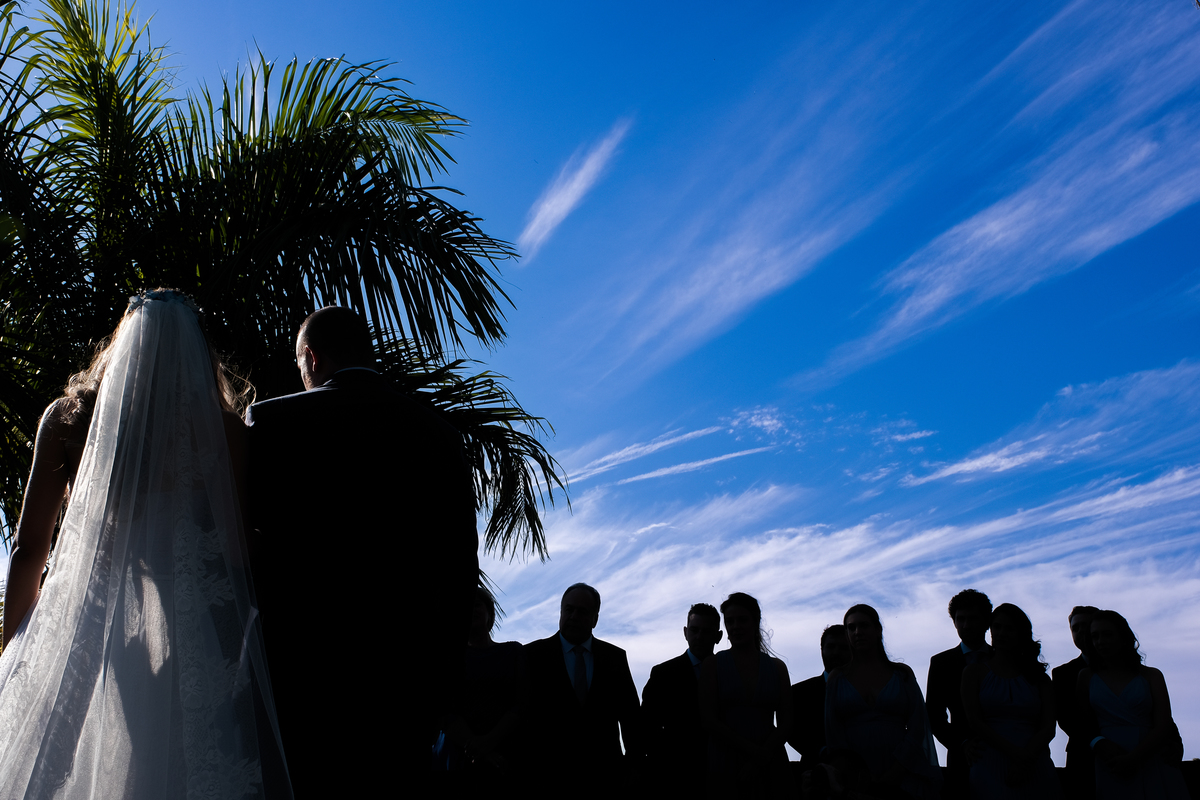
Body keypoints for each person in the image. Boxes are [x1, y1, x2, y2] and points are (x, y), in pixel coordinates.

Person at [0, 289, 290, 798]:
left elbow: (28, 551)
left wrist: (18, 652)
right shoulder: (224, 430)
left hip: (84, 624)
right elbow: (238, 551)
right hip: (193, 631)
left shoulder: (67, 420)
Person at [245, 305, 478, 789]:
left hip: (299, 676)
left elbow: (249, 546)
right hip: (406, 685)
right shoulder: (441, 435)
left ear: (311, 357)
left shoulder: (271, 422)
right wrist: (443, 694)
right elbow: (460, 571)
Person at [522, 583, 643, 790]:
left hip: (605, 777)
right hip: (546, 777)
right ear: (560, 612)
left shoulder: (614, 658)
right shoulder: (532, 656)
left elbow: (631, 718)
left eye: (582, 611)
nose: (574, 616)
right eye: (569, 609)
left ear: (595, 619)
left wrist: (635, 766)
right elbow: (521, 715)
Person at [826, 603, 941, 800]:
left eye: (864, 625)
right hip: (854, 771)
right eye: (851, 628)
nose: (857, 632)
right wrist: (855, 772)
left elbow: (917, 726)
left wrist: (899, 768)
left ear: (878, 629)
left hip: (903, 768)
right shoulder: (837, 678)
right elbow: (833, 731)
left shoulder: (902, 674)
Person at [1077, 610, 1188, 800]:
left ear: (1123, 637)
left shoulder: (1152, 675)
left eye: (1107, 634)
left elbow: (1163, 723)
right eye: (1095, 636)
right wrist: (1100, 745)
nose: (1101, 641)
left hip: (1150, 753)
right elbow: (1083, 722)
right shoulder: (1086, 677)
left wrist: (1135, 757)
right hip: (1109, 757)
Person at [960, 603, 1061, 799]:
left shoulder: (1039, 678)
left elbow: (1048, 727)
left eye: (1009, 628)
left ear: (1020, 633)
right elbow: (975, 721)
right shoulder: (974, 673)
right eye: (997, 627)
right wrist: (1016, 754)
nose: (1001, 633)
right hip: (991, 758)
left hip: (1034, 758)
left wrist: (1027, 758)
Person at [699, 592, 793, 797]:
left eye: (742, 620)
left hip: (770, 760)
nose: (735, 626)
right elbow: (708, 719)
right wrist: (755, 753)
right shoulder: (712, 665)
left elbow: (786, 722)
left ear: (755, 622)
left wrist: (763, 755)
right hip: (726, 760)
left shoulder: (777, 668)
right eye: (730, 621)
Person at [438, 586, 526, 775]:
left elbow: (522, 703)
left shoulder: (513, 652)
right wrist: (480, 749)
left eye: (476, 604)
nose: (471, 610)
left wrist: (487, 743)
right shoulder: (449, 661)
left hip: (507, 756)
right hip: (459, 760)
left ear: (489, 612)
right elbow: (446, 712)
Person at [642, 602, 723, 793]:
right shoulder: (663, 674)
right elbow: (645, 726)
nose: (699, 637)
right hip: (675, 776)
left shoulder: (729, 673)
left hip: (722, 773)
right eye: (694, 630)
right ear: (685, 632)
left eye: (706, 631)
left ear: (718, 636)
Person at [927, 588, 992, 798]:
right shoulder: (941, 663)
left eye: (972, 618)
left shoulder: (1003, 659)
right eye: (960, 619)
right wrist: (962, 744)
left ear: (987, 621)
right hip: (962, 762)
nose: (966, 625)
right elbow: (934, 716)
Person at [1052, 605, 1100, 800]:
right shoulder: (1062, 674)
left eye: (1086, 626)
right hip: (1084, 758)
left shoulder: (1128, 669)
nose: (1080, 632)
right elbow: (1065, 718)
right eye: (1075, 628)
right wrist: (1099, 742)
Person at [788, 623, 851, 770]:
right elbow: (792, 733)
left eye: (843, 647)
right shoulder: (799, 693)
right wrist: (822, 752)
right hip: (814, 771)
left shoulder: (866, 689)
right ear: (821, 650)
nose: (836, 653)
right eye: (831, 647)